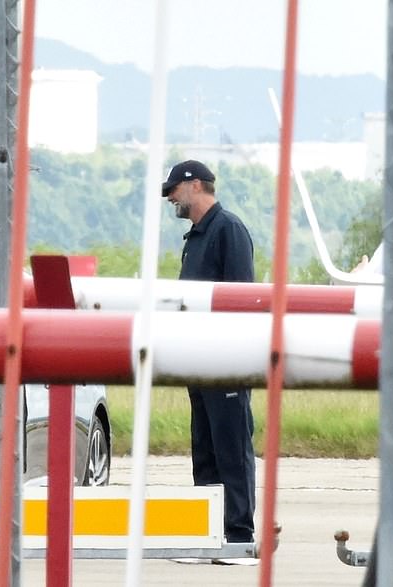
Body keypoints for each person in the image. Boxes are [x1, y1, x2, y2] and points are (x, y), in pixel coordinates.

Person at [162, 160, 256, 550]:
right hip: (197, 360)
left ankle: (238, 533)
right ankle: (210, 532)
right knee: (205, 450)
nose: (170, 198)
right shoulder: (196, 237)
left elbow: (241, 299)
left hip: (225, 361)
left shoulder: (228, 230)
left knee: (231, 448)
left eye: (174, 191)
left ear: (196, 185)